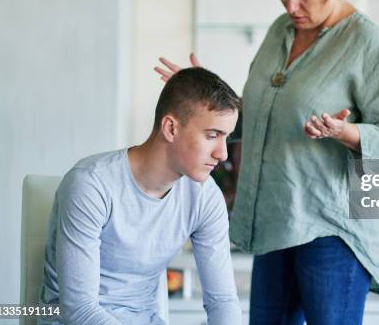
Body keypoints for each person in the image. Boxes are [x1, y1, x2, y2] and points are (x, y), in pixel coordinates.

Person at [155, 0, 379, 324]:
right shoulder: (280, 31)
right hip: (277, 221)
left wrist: (344, 132)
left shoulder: (370, 45)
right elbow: (257, 117)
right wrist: (203, 97)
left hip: (334, 231)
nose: (290, 5)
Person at [38, 68, 243, 325]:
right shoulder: (91, 184)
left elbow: (222, 301)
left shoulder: (205, 197)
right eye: (212, 136)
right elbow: (79, 311)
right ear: (170, 128)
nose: (222, 154)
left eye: (227, 138)